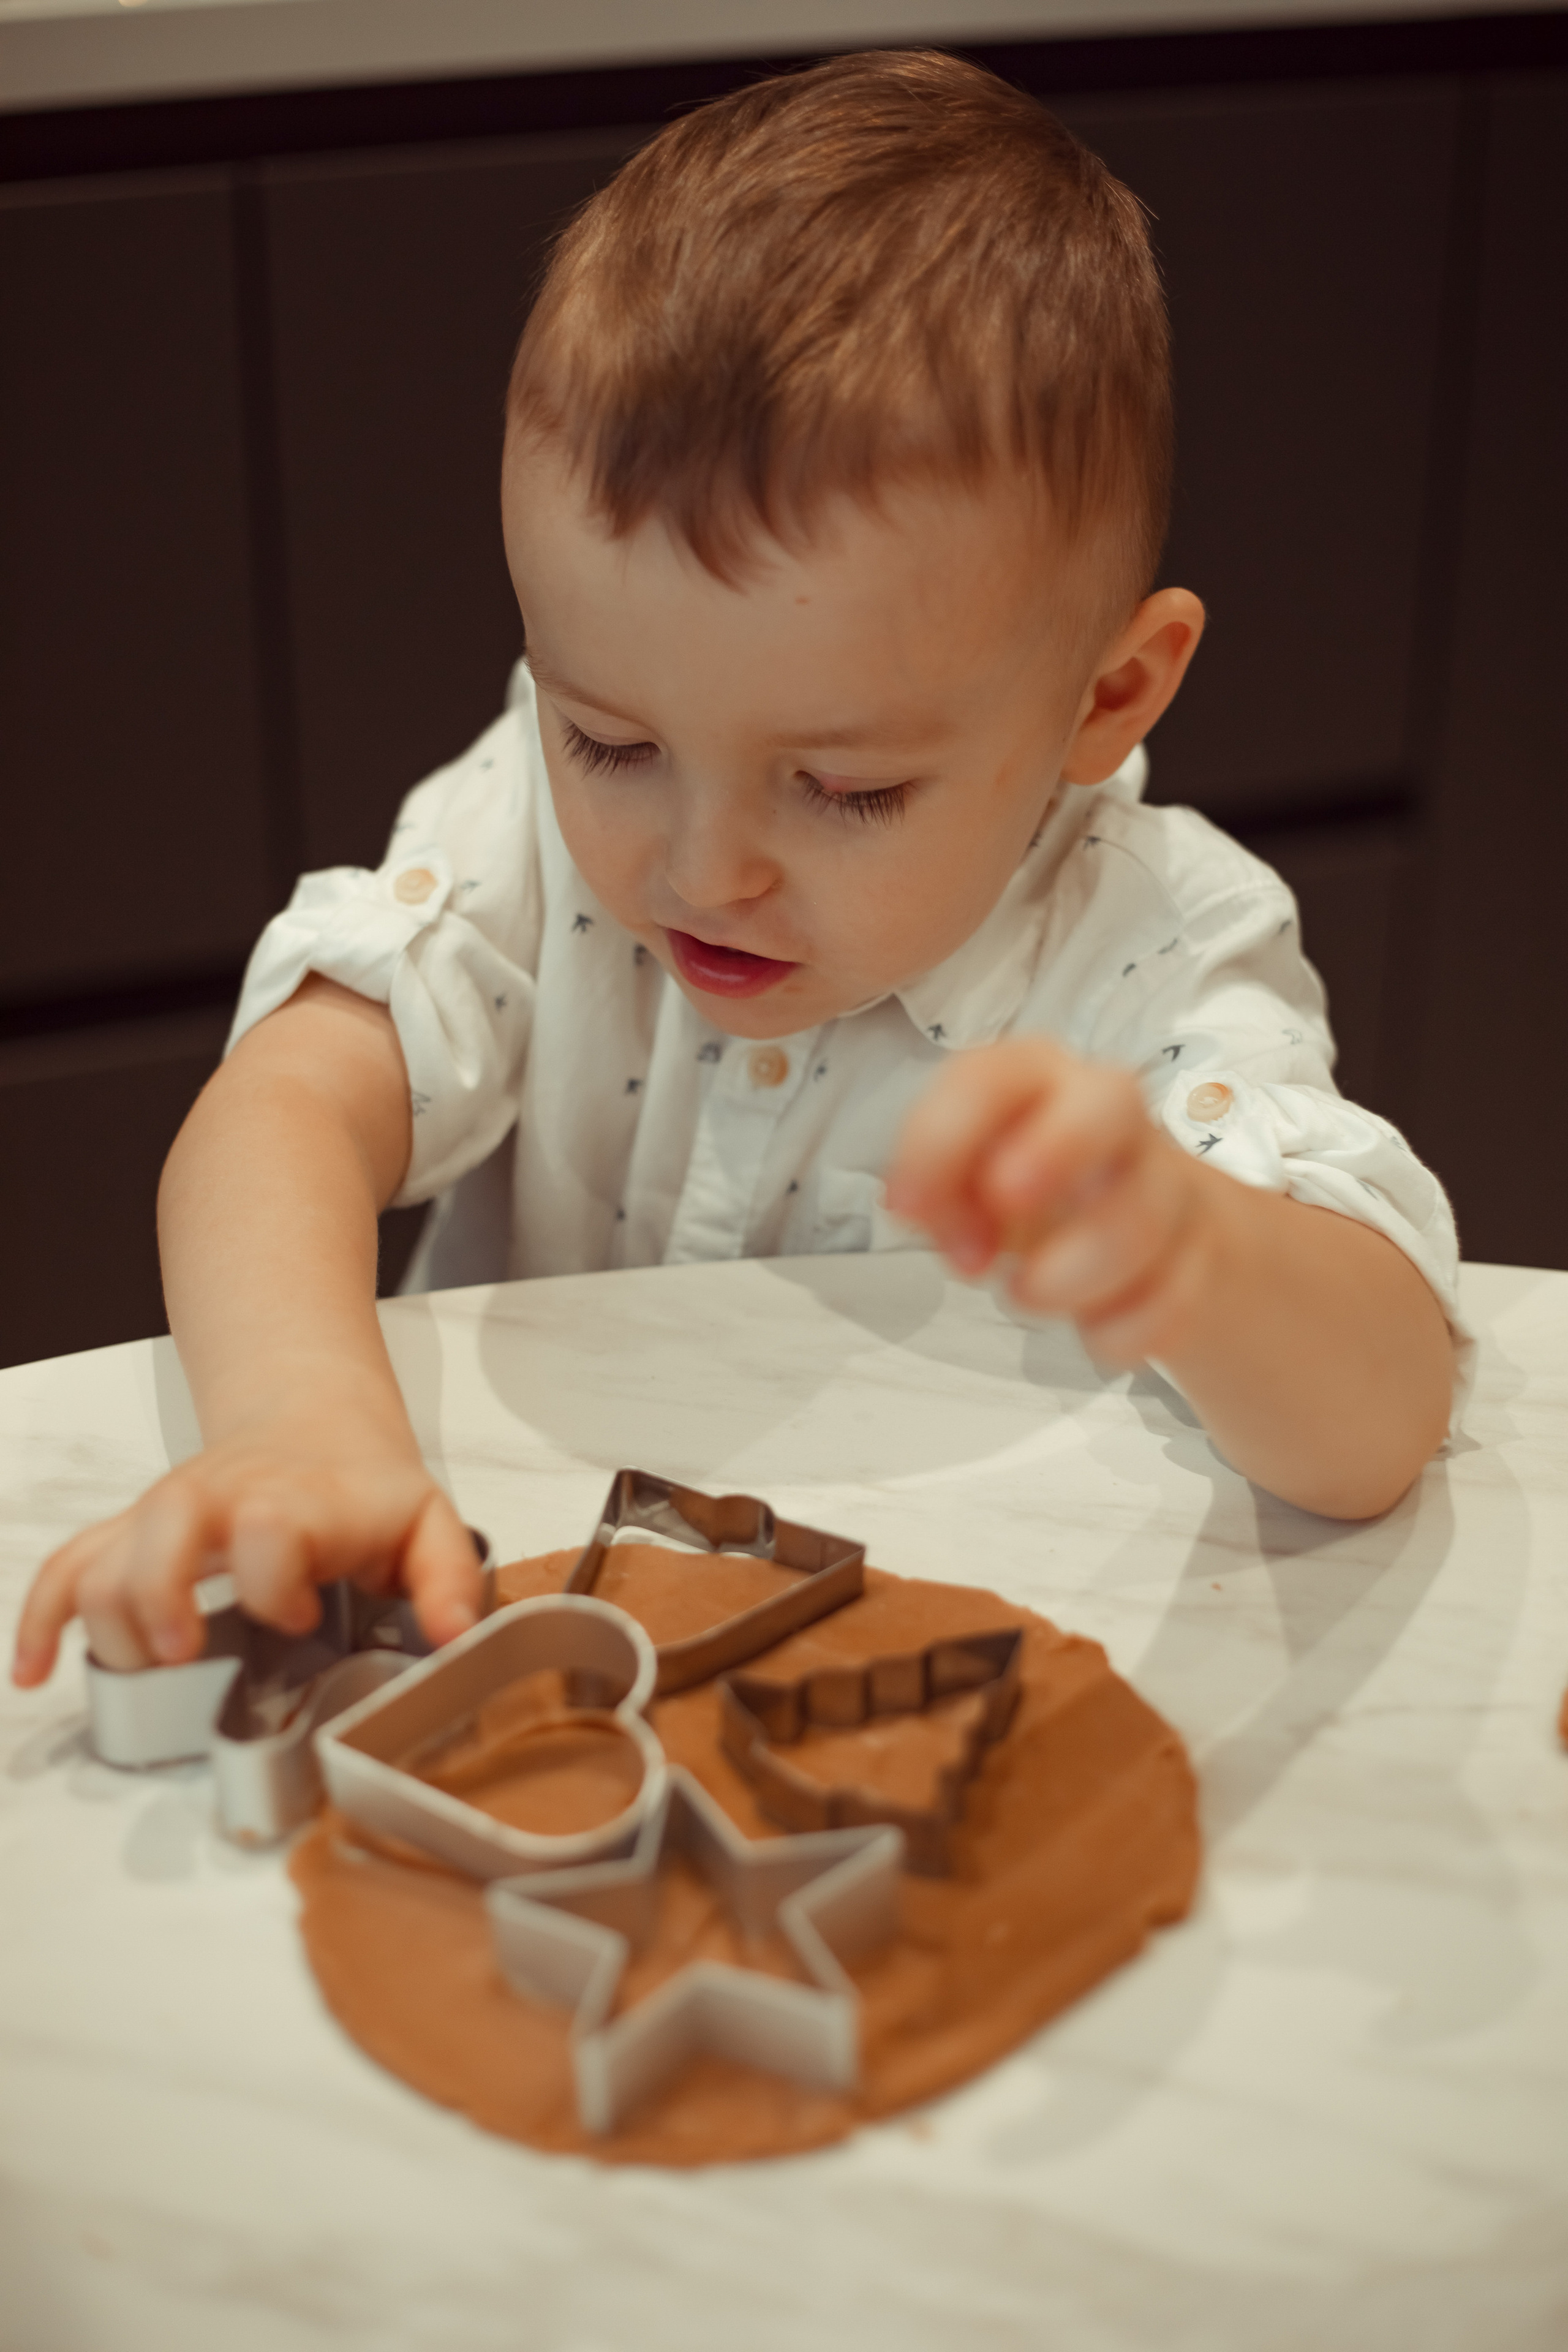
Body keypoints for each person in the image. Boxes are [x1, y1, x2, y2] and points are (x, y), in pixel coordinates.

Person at [11, 50, 1458, 1692]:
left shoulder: (1156, 948)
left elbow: (1379, 1429)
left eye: (843, 789)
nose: (700, 869)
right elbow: (281, 1110)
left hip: (930, 1671)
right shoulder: (530, 830)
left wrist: (1192, 1249)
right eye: (613, 742)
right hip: (508, 1642)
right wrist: (295, 1429)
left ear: (1108, 696)